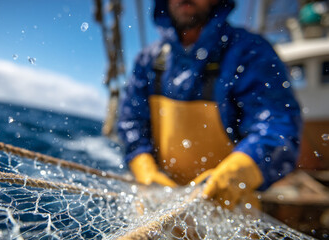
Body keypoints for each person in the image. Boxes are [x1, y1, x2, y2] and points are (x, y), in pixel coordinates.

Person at [117, 0, 302, 209]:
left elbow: (278, 126)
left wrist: (238, 173)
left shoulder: (250, 52)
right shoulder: (148, 60)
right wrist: (145, 169)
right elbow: (131, 122)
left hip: (231, 210)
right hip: (155, 206)